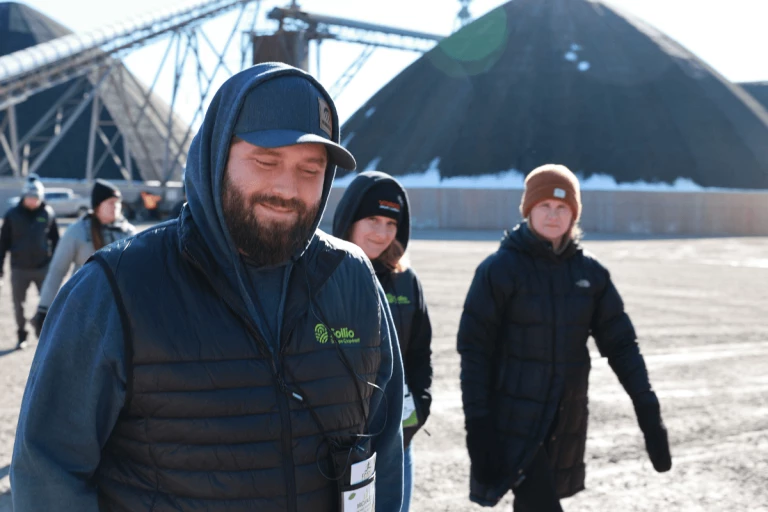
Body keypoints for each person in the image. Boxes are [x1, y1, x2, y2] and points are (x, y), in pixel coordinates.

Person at [12, 63, 404, 512]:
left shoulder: (352, 278)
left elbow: (383, 448)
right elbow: (49, 472)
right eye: (265, 160)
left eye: (310, 170)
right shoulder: (116, 287)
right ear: (217, 157)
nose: (286, 188)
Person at [457, 164, 672, 510]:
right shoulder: (499, 270)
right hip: (513, 421)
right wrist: (477, 427)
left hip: (564, 421)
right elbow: (474, 350)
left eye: (562, 208)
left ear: (574, 214)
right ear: (528, 210)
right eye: (544, 206)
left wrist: (647, 409)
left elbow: (621, 346)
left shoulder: (590, 274)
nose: (553, 215)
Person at [333, 171, 433, 512]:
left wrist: (419, 406)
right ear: (349, 219)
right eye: (373, 219)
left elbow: (421, 353)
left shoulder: (406, 281)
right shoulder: (321, 274)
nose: (381, 232)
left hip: (397, 439)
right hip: (337, 446)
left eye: (391, 224)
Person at [31, 179, 135, 336]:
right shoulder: (77, 231)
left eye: (118, 203)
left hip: (120, 309)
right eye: (110, 203)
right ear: (97, 206)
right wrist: (43, 309)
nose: (115, 207)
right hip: (83, 308)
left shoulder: (129, 233)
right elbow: (57, 271)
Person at [0, 175, 59, 349]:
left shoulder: (47, 213)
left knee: (49, 302)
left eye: (37, 198)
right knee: (19, 305)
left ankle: (43, 332)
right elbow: (3, 243)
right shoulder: (12, 215)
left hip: (43, 267)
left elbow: (56, 241)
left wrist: (57, 266)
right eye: (31, 197)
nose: (34, 201)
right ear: (24, 196)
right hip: (19, 268)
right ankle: (21, 335)